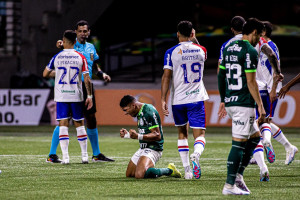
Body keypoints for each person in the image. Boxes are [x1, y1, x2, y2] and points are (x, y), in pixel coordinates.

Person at [46, 20, 114, 163]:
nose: (83, 33)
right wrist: (59, 44)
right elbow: (62, 49)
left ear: (89, 32)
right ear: (76, 32)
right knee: (65, 120)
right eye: (80, 31)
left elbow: (95, 65)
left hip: (87, 85)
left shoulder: (91, 47)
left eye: (85, 31)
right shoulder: (70, 45)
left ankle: (96, 154)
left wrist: (102, 74)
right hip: (74, 85)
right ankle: (52, 153)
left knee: (91, 118)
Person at [218, 18, 266, 195]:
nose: (259, 40)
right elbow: (251, 82)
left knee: (255, 137)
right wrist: (260, 107)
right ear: (253, 32)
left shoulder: (229, 48)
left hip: (231, 101)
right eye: (259, 36)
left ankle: (238, 176)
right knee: (238, 144)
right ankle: (229, 185)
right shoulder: (250, 51)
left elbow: (220, 76)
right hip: (243, 103)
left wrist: (223, 98)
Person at [161, 20, 208, 180]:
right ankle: (196, 154)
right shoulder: (201, 50)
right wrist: (193, 38)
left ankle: (187, 170)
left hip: (178, 100)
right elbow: (200, 50)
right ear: (193, 33)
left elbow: (166, 77)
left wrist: (162, 98)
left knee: (182, 133)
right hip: (196, 98)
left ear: (177, 34)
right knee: (199, 135)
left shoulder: (171, 52)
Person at [250, 21, 298, 174]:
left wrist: (273, 89)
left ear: (263, 31)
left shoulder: (271, 46)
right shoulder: (260, 45)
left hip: (270, 88)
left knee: (264, 121)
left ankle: (267, 143)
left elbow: (275, 68)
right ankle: (287, 147)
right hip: (262, 87)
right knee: (262, 120)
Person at [43, 30, 93, 164]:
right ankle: (84, 156)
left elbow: (45, 74)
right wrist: (90, 95)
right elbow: (87, 79)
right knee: (80, 124)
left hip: (62, 96)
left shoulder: (57, 57)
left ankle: (66, 158)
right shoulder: (80, 57)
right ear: (75, 42)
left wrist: (57, 73)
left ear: (63, 41)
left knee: (63, 124)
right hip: (76, 95)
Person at [119, 95, 182, 179]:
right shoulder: (139, 111)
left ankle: (169, 170)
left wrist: (138, 136)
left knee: (140, 175)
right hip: (143, 147)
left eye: (126, 110)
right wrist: (128, 135)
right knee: (130, 174)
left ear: (133, 106)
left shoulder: (148, 111)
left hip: (154, 148)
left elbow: (157, 135)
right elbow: (144, 131)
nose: (125, 113)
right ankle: (147, 168)